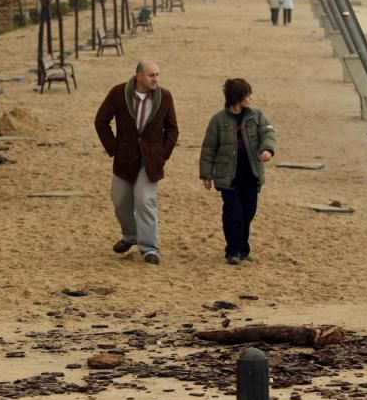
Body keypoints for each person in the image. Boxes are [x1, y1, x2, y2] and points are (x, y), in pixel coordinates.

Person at [95, 60, 179, 265]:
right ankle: (130, 235)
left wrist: (162, 153)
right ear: (139, 76)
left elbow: (172, 129)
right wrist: (114, 148)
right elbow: (101, 121)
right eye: (152, 75)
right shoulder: (118, 93)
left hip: (151, 160)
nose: (156, 79)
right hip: (124, 157)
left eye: (158, 75)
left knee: (145, 200)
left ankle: (149, 247)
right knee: (120, 199)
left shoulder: (165, 96)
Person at [199, 78, 276, 265]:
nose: (250, 98)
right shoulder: (218, 120)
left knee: (249, 211)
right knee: (234, 213)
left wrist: (267, 149)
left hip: (251, 174)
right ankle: (232, 250)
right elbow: (208, 148)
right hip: (228, 176)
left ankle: (243, 249)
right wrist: (206, 175)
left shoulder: (256, 116)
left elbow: (268, 133)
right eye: (246, 94)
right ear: (237, 97)